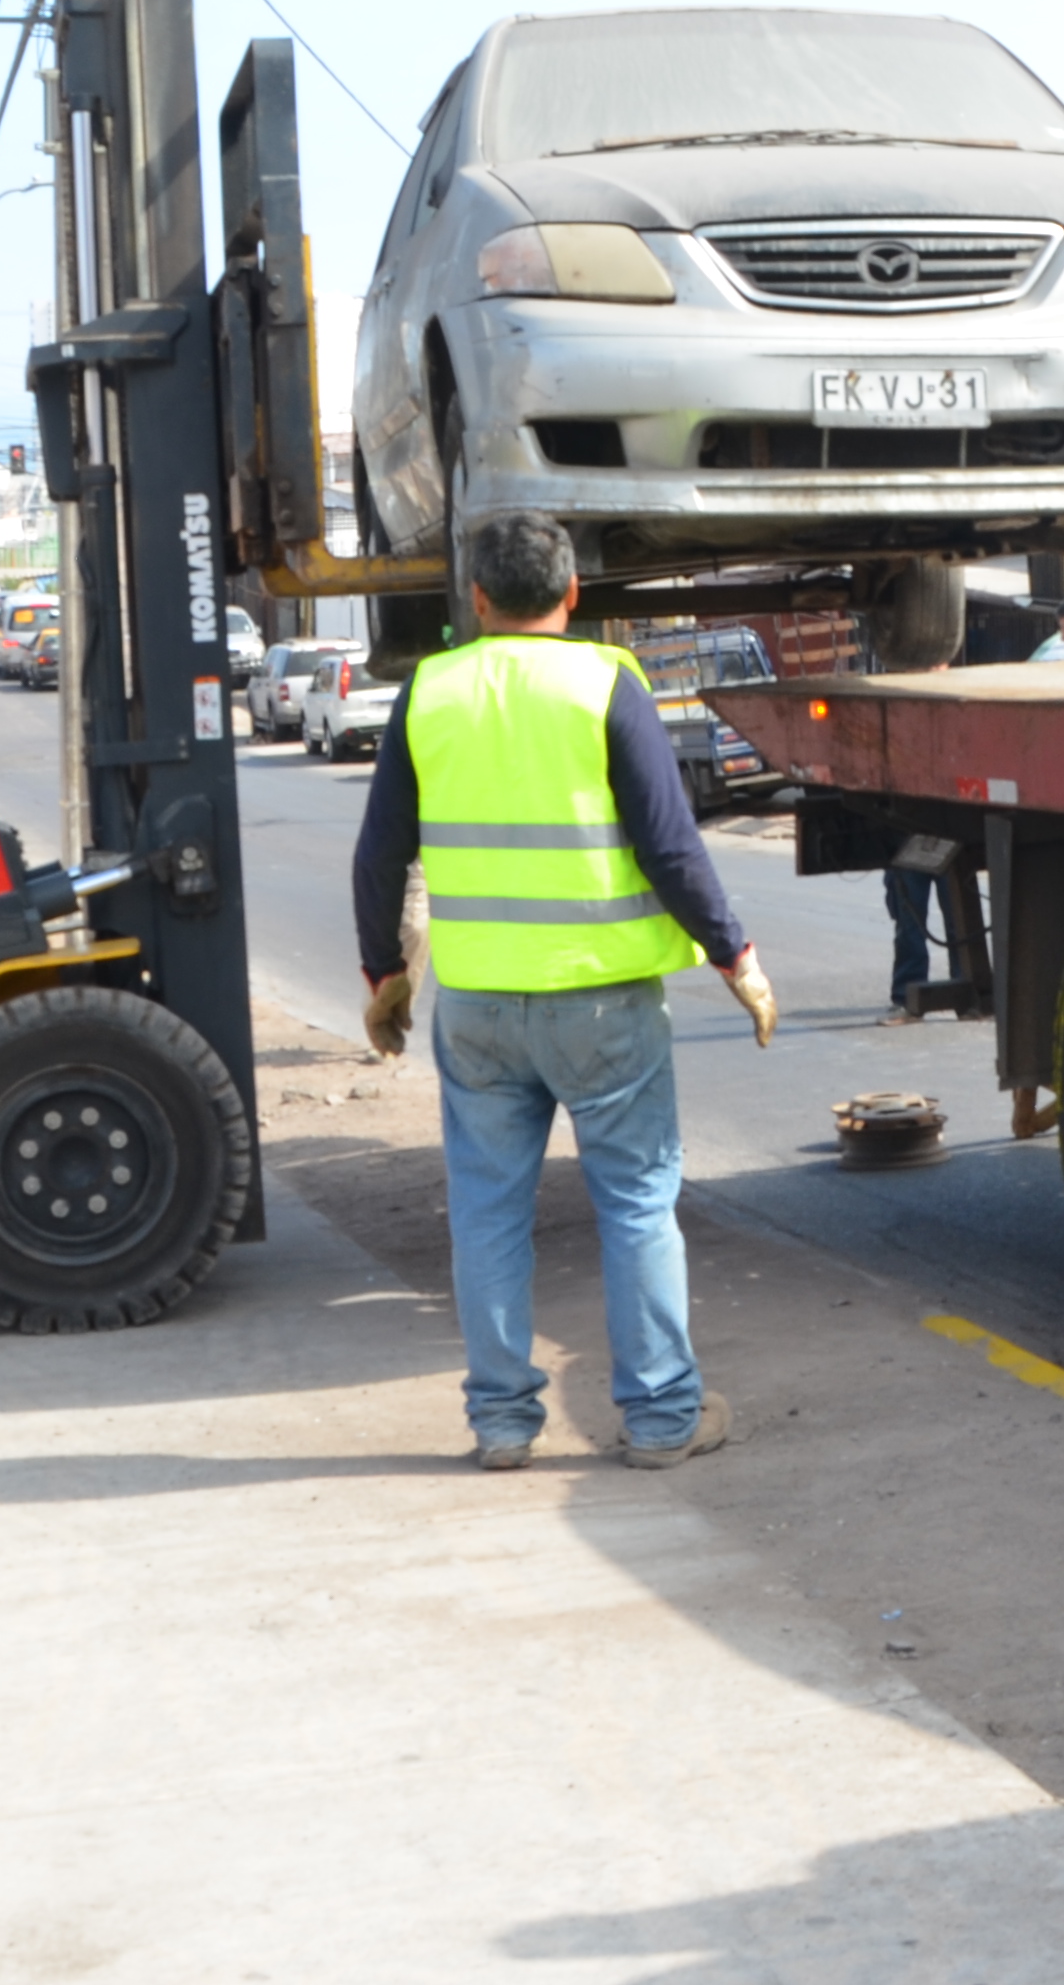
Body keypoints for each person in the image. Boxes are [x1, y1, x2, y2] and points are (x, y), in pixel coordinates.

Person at [354, 513, 777, 1472]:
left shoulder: (428, 691)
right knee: (634, 1203)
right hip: (604, 1005)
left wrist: (385, 977)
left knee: (488, 1212)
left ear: (477, 598)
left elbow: (380, 856)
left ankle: (503, 1425)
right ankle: (663, 1420)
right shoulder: (606, 685)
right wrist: (736, 959)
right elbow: (672, 847)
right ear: (574, 591)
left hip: (478, 1011)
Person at [884, 832, 963, 1016]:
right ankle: (907, 996)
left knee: (960, 923)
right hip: (908, 835)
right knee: (910, 925)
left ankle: (967, 993)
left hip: (948, 833)